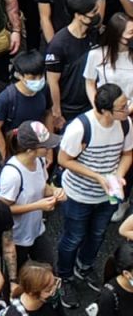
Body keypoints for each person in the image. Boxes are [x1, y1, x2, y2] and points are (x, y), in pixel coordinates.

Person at [54, 83, 133, 307]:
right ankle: (65, 276)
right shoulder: (80, 128)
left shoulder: (125, 124)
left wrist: (118, 175)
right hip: (79, 194)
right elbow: (64, 159)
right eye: (122, 107)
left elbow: (127, 153)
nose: (127, 109)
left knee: (97, 234)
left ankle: (84, 267)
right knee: (73, 237)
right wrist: (98, 177)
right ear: (105, 111)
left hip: (107, 195)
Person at [0, 120, 64, 267]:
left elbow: (42, 186)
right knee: (20, 274)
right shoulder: (12, 174)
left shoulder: (39, 161)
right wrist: (37, 206)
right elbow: (3, 209)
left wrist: (55, 191)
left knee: (48, 266)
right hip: (17, 236)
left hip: (36, 229)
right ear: (29, 150)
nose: (49, 148)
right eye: (45, 145)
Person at [45, 0, 101, 128]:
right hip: (69, 107)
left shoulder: (94, 34)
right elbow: (52, 82)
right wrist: (57, 112)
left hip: (91, 101)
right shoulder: (58, 45)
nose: (97, 15)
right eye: (93, 12)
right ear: (79, 16)